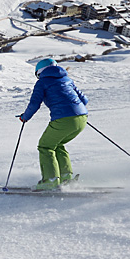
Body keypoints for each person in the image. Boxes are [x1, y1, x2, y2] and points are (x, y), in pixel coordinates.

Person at [19, 58, 89, 191]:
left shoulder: (42, 82)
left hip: (64, 120)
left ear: (39, 72)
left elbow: (34, 103)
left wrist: (25, 117)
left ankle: (50, 180)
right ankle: (66, 179)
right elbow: (84, 100)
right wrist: (75, 111)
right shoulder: (67, 80)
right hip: (82, 118)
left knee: (45, 146)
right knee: (58, 144)